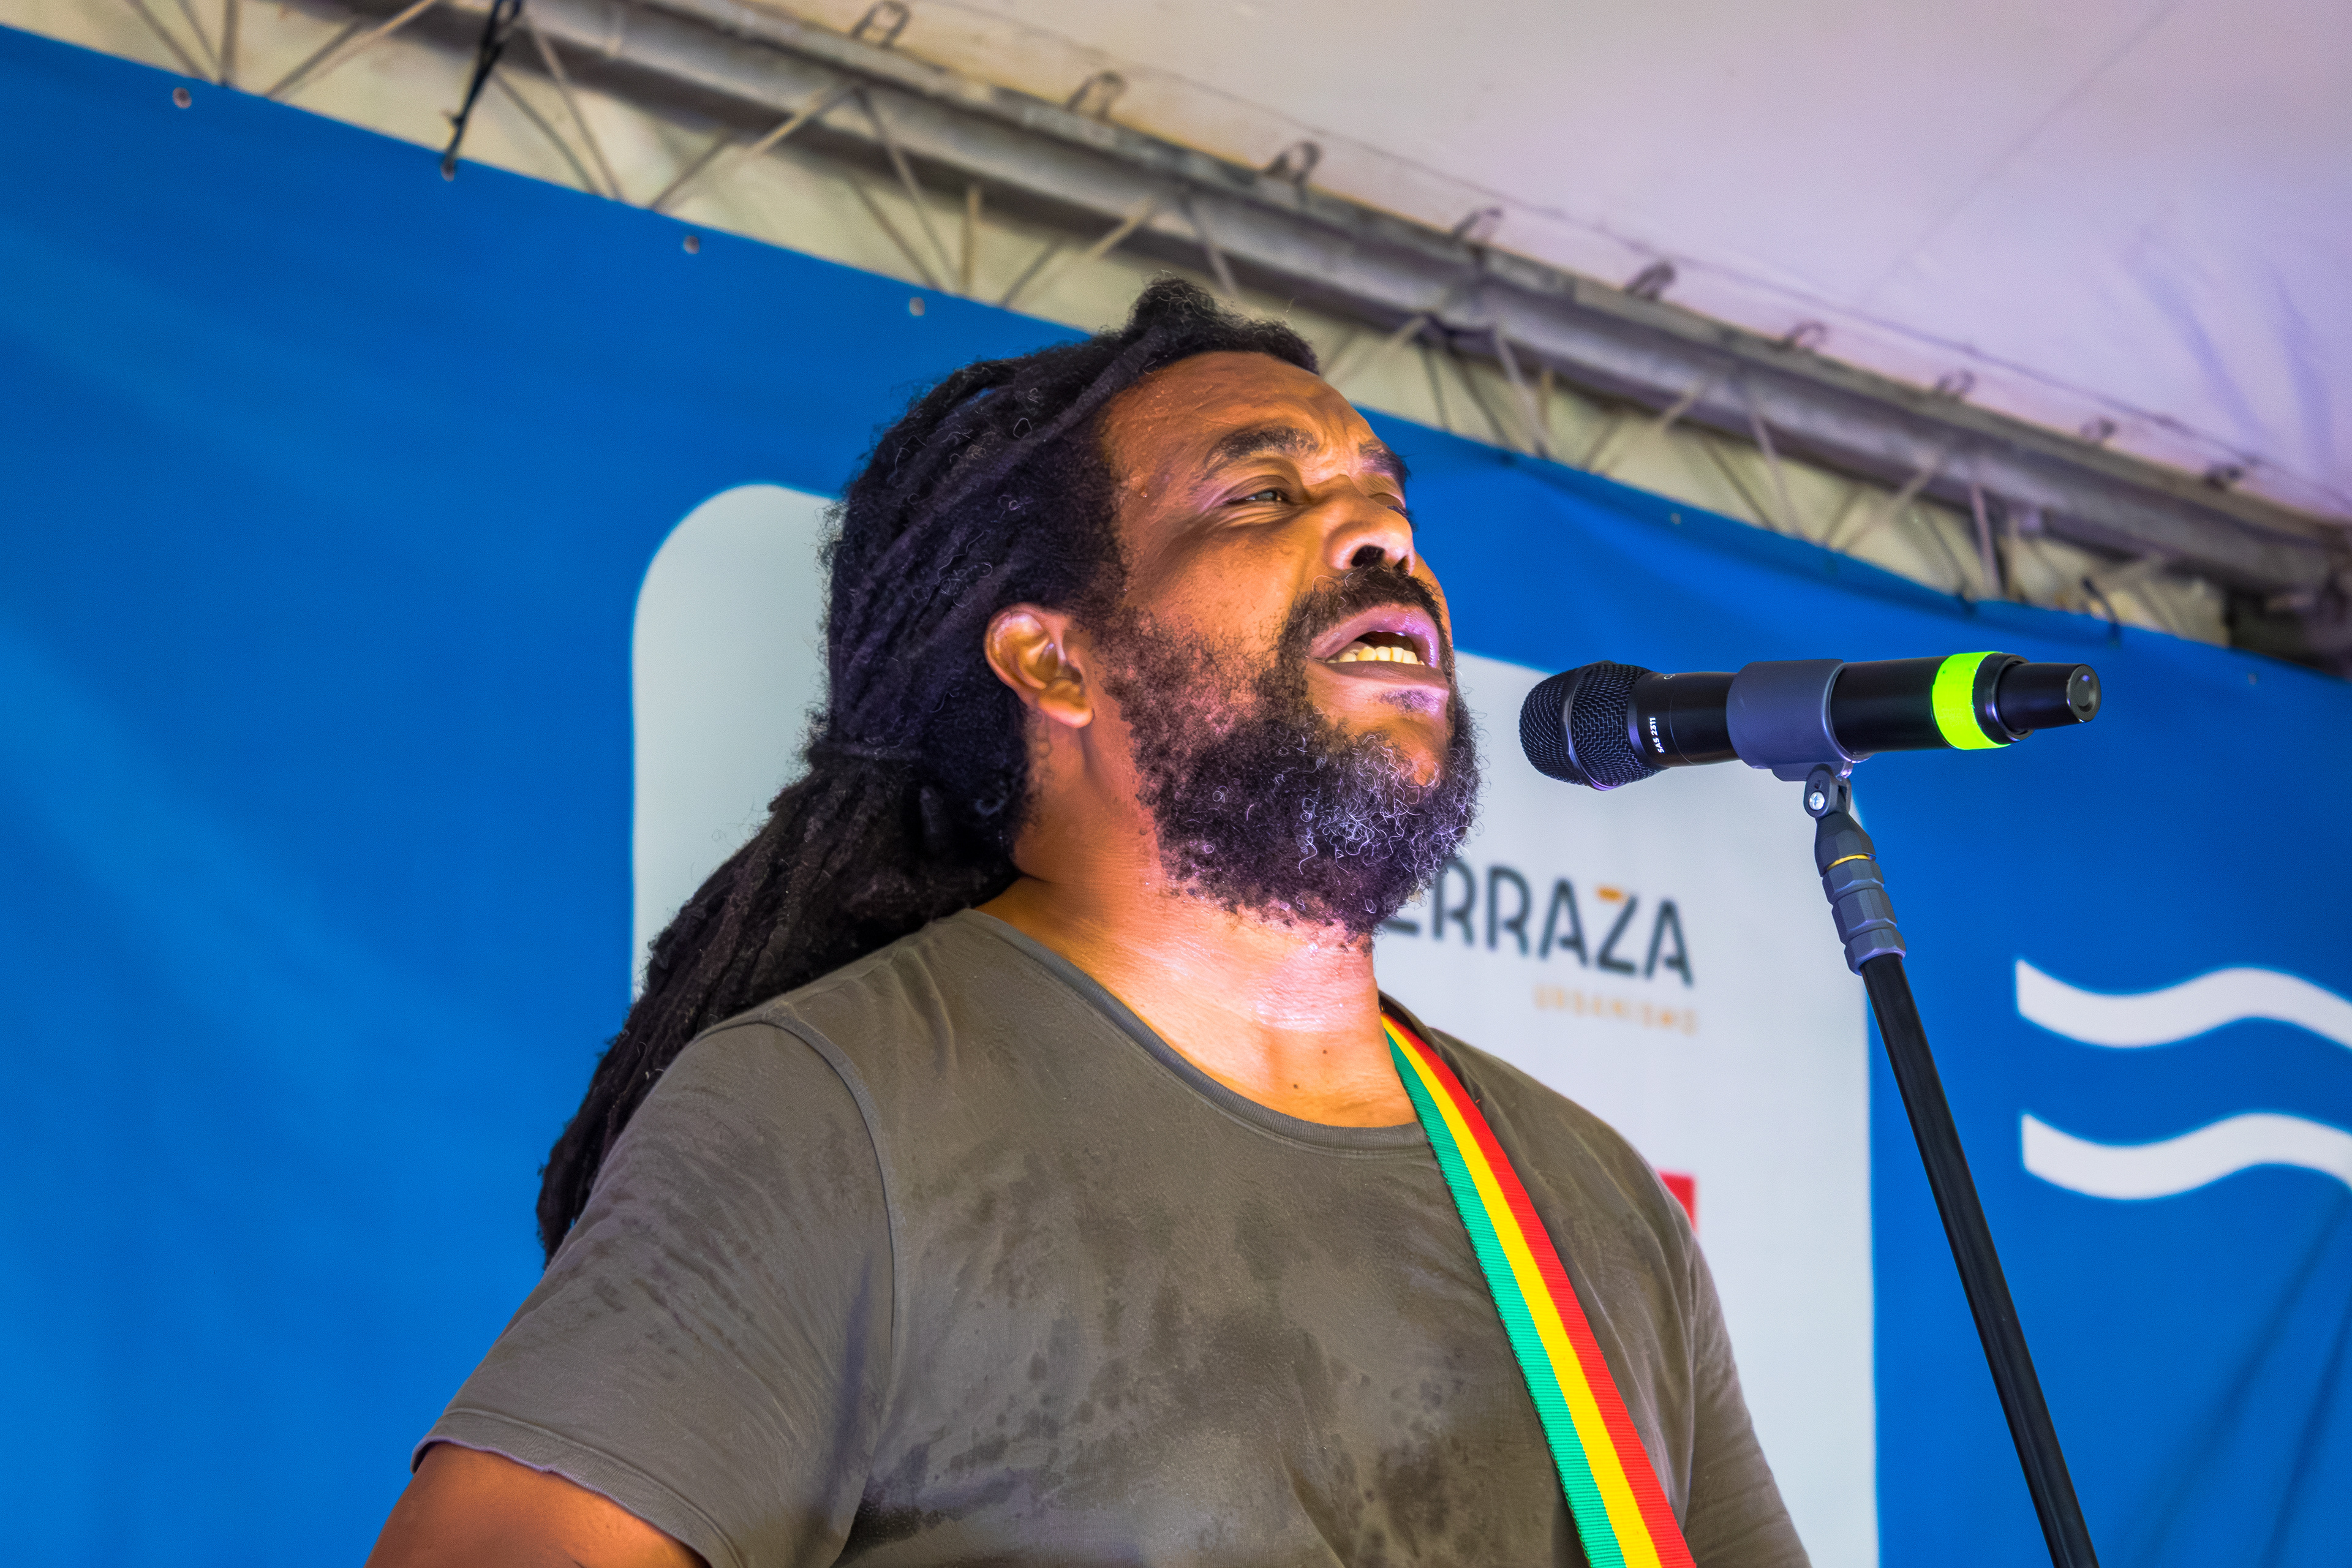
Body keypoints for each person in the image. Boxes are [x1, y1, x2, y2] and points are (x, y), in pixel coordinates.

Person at [367, 281, 1807, 1568]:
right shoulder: (834, 1110)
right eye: (1260, 494)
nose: (1380, 531)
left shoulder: (1594, 1202)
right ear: (1055, 659)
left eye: (1385, 496)